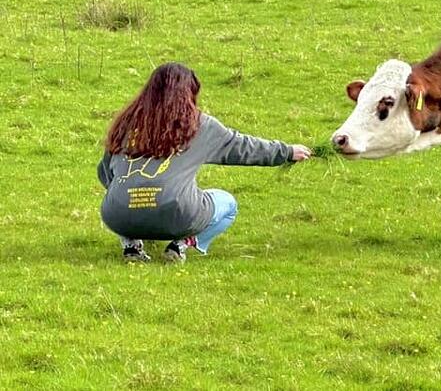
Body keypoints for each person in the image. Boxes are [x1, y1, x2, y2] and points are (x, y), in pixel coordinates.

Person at [96, 62, 310, 263]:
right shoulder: (198, 125)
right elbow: (242, 146)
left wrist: (136, 195)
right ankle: (181, 244)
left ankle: (131, 245)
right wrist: (287, 151)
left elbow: (106, 174)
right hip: (178, 213)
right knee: (227, 203)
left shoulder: (126, 123)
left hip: (118, 214)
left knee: (122, 195)